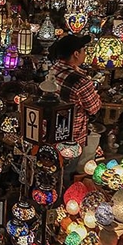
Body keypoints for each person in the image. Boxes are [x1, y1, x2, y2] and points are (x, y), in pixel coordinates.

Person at [49, 34, 103, 187]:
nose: (85, 53)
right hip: (72, 136)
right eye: (83, 50)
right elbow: (93, 108)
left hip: (52, 131)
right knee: (66, 172)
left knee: (52, 168)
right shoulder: (81, 81)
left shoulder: (55, 69)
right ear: (76, 54)